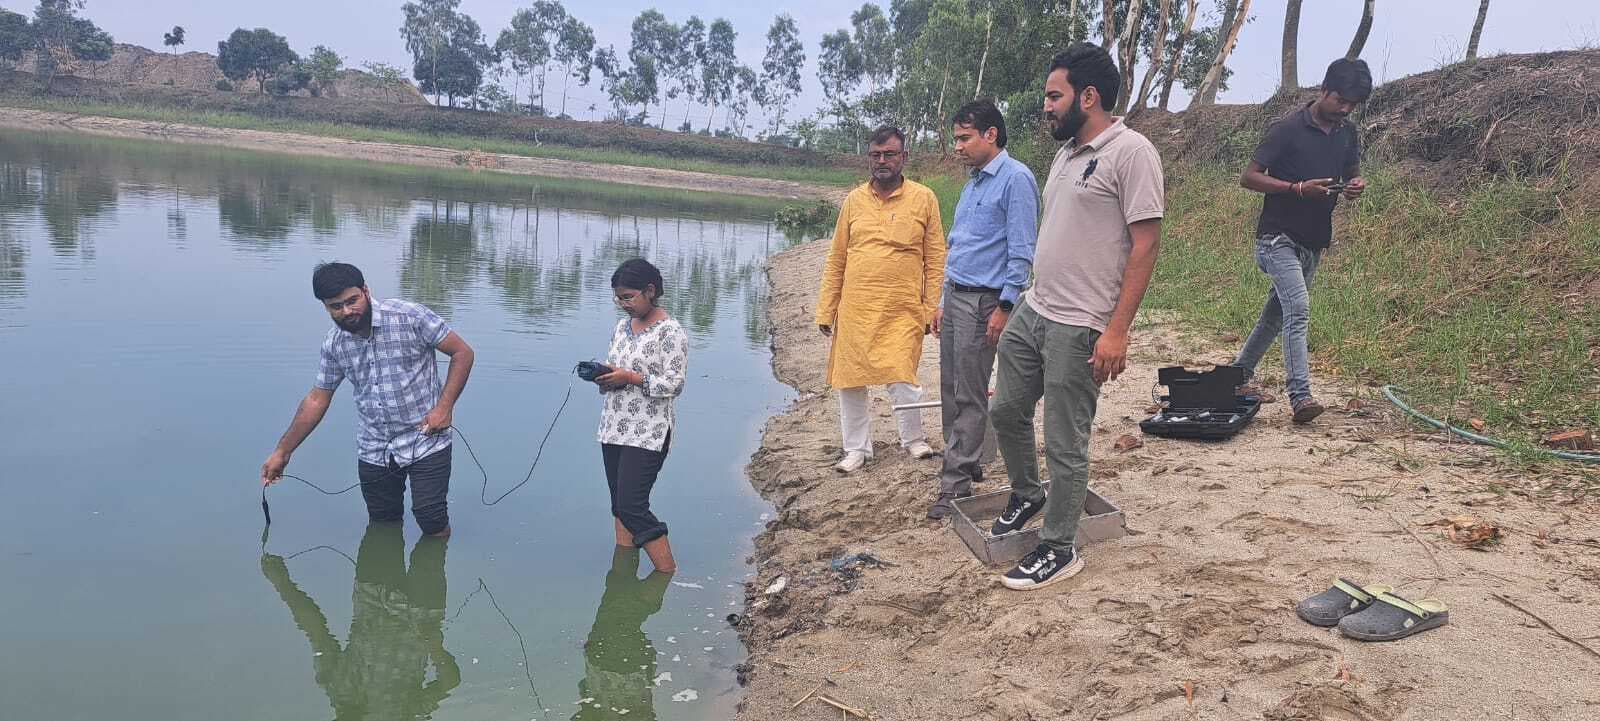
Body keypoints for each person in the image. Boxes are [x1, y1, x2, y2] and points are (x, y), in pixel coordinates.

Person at [989, 43, 1165, 590]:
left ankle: (1059, 546)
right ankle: (1027, 492)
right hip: (1035, 307)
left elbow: (1146, 243)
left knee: (1065, 441)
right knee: (1006, 411)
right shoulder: (1066, 153)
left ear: (1088, 97)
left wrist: (1116, 331)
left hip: (1081, 323)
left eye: (1053, 95)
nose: (1045, 106)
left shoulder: (1132, 152)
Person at [260, 262, 475, 538]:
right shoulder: (335, 344)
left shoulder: (409, 317)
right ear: (325, 307)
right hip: (375, 447)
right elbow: (317, 399)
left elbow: (462, 353)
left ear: (365, 290)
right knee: (382, 523)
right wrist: (282, 452)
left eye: (352, 300)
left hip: (427, 437)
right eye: (336, 306)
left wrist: (444, 408)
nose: (347, 311)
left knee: (431, 519)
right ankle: (385, 579)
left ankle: (434, 568)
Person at [1230, 58, 1371, 423]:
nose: (1345, 109)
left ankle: (1237, 375)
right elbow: (1249, 177)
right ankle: (1301, 396)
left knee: (1274, 317)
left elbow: (1352, 172)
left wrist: (1355, 186)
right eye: (1341, 100)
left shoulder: (1347, 133)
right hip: (1276, 239)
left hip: (1314, 242)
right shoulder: (1287, 129)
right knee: (1299, 308)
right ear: (1324, 90)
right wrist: (1296, 188)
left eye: (1352, 105)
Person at [927, 99, 1040, 519]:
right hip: (956, 295)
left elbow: (1022, 252)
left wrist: (1005, 306)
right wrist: (942, 300)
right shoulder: (974, 181)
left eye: (964, 138)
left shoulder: (1016, 180)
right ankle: (968, 461)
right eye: (956, 138)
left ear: (990, 134)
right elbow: (957, 244)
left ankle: (953, 486)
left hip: (984, 301)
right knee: (950, 386)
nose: (957, 147)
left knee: (971, 394)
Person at [816, 125, 947, 474]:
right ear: (868, 159)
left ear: (904, 157)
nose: (882, 161)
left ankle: (914, 440)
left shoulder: (924, 198)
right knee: (850, 380)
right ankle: (856, 449)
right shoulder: (854, 201)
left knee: (903, 375)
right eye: (875, 155)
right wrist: (826, 309)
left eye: (890, 154)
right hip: (856, 308)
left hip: (903, 308)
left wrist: (931, 306)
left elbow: (936, 259)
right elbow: (837, 258)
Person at [261, 523, 460, 719]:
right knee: (431, 525)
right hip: (421, 611)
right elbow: (450, 680)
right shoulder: (403, 715)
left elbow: (315, 630)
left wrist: (282, 583)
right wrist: (434, 646)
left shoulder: (337, 689)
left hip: (371, 592)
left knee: (383, 521)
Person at [595, 258, 687, 574]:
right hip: (613, 427)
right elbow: (615, 367)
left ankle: (666, 573)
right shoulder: (622, 327)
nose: (623, 305)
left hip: (649, 432)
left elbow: (673, 384)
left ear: (651, 291)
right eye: (618, 298)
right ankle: (622, 569)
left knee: (633, 506)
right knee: (619, 506)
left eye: (628, 297)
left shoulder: (670, 332)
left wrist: (631, 378)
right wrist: (605, 379)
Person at [571, 546, 672, 721]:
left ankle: (660, 573)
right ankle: (656, 575)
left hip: (614, 672)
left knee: (620, 612)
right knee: (619, 611)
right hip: (616, 671)